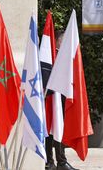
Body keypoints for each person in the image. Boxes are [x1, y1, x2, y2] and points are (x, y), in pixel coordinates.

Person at [43, 31, 77, 170]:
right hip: (51, 98)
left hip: (61, 98)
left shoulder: (65, 56)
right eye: (64, 40)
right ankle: (50, 161)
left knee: (58, 130)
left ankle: (60, 161)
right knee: (51, 131)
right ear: (57, 41)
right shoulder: (51, 55)